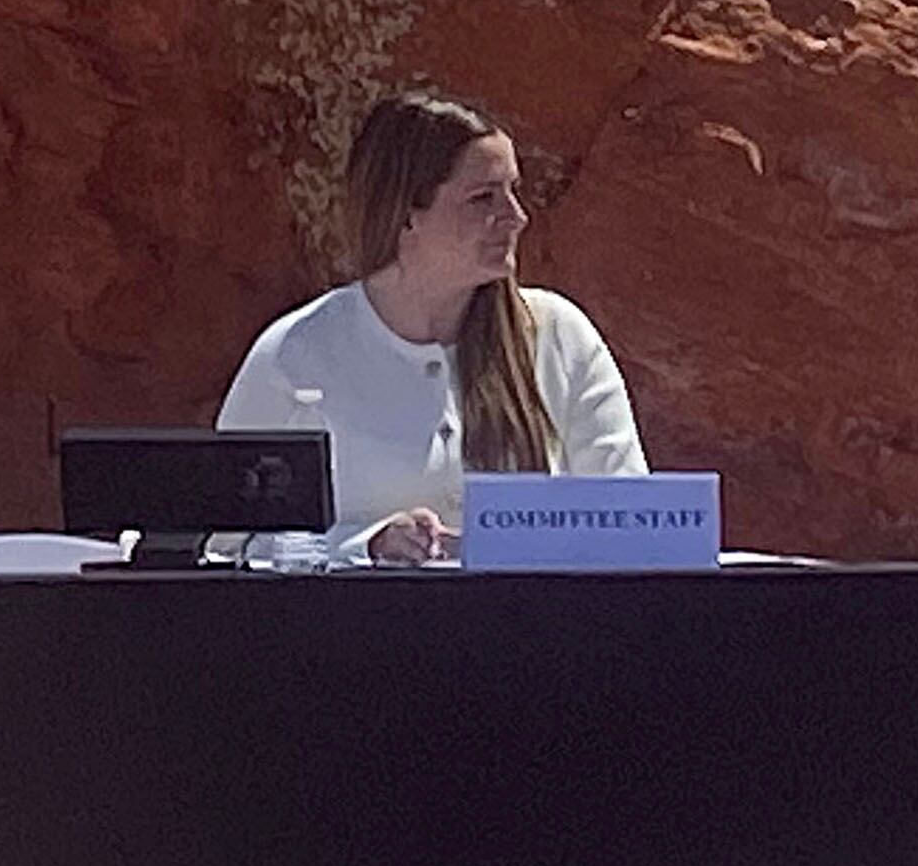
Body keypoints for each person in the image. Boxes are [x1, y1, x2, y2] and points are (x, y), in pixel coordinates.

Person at [218, 92, 649, 564]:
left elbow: (631, 520)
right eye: (483, 198)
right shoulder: (294, 355)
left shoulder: (559, 337)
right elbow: (226, 544)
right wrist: (366, 545)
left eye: (513, 191)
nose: (516, 217)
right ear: (407, 216)